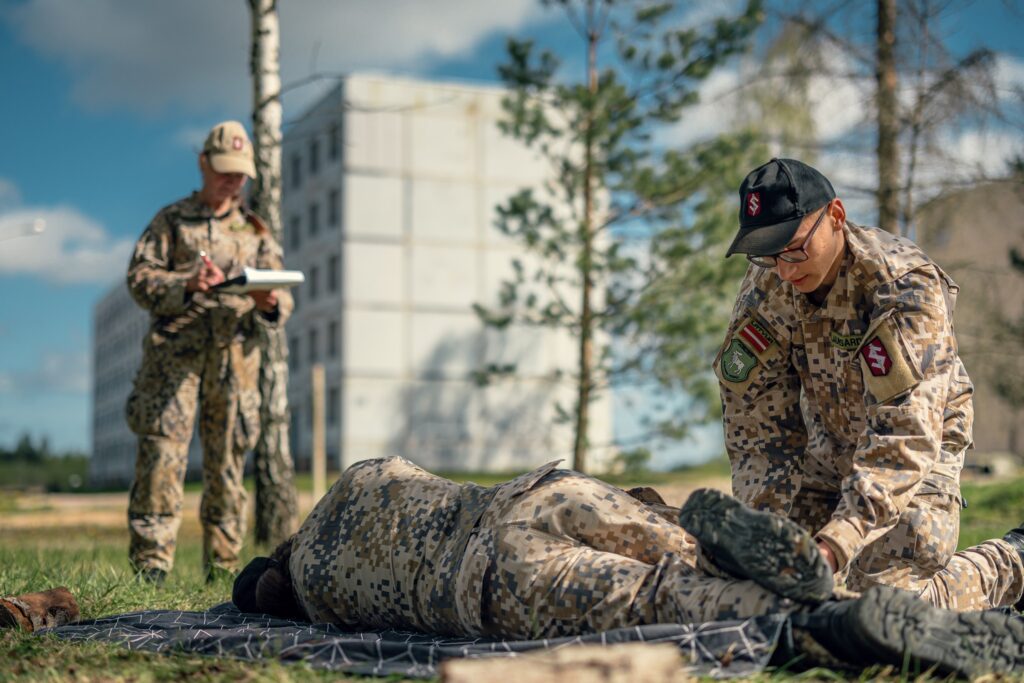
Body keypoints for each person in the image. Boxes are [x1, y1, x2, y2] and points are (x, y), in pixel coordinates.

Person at [232, 457, 1023, 676]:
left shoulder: (318, 592)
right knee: (680, 543)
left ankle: (826, 623)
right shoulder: (359, 479)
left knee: (679, 598)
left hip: (498, 577)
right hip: (542, 491)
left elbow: (285, 596)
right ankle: (1011, 559)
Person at [715, 157, 1024, 611]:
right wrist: (766, 534)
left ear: (836, 216)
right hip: (827, 448)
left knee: (877, 605)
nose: (784, 270)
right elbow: (757, 428)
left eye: (794, 248)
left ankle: (1013, 562)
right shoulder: (769, 285)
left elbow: (905, 435)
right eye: (767, 253)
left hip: (919, 452)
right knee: (777, 594)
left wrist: (836, 543)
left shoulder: (902, 286)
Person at [125, 121, 293, 584]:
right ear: (203, 164)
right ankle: (150, 569)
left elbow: (282, 299)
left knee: (228, 467)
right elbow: (139, 279)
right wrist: (186, 283)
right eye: (224, 171)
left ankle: (222, 570)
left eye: (240, 174)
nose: (232, 181)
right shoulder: (171, 220)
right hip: (173, 364)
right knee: (161, 460)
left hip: (234, 364)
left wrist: (268, 301)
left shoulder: (256, 233)